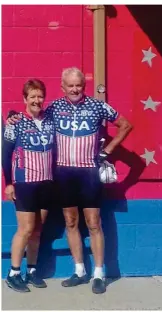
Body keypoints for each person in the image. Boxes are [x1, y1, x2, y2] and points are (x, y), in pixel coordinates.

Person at [7, 67, 133, 294]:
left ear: (83, 86)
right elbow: (28, 115)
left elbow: (126, 124)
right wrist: (12, 116)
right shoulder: (54, 108)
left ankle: (98, 273)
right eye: (70, 85)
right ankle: (79, 270)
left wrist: (108, 150)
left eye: (79, 85)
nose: (75, 89)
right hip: (63, 174)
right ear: (63, 87)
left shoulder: (96, 105)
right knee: (71, 223)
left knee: (94, 223)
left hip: (88, 174)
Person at [2, 79, 54, 292]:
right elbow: (5, 154)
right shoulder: (14, 122)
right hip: (24, 182)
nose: (36, 100)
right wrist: (8, 183)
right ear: (25, 99)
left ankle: (31, 270)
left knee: (38, 230)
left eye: (40, 96)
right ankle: (13, 273)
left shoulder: (50, 120)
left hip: (46, 182)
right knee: (26, 229)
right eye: (32, 96)